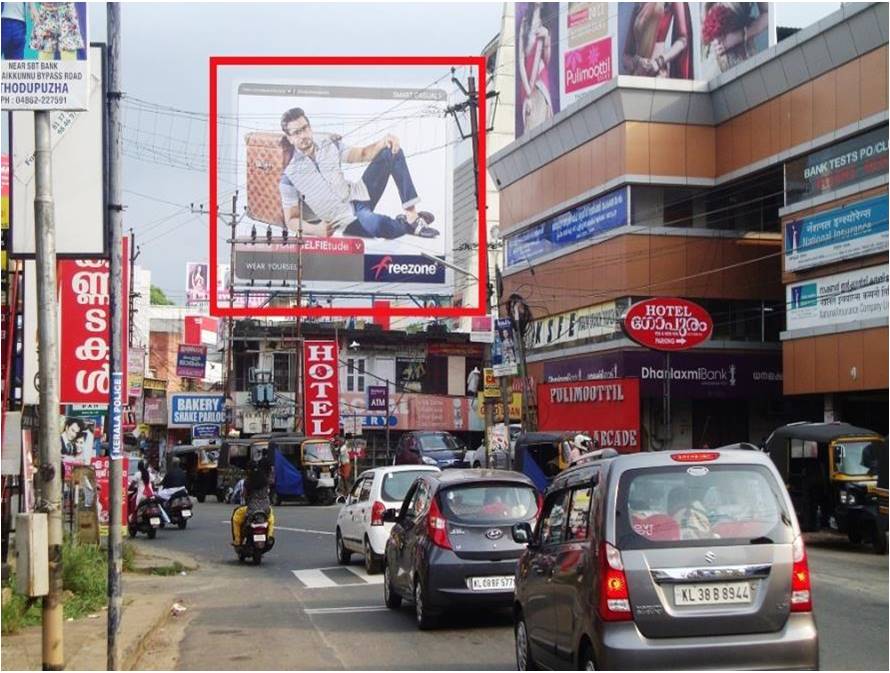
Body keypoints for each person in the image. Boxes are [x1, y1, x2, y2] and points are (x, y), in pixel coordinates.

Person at [278, 107, 439, 240]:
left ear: (310, 127)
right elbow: (291, 220)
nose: (303, 135)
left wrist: (383, 141)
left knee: (391, 151)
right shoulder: (289, 177)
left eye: (305, 128)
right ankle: (404, 225)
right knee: (378, 225)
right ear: (289, 138)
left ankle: (412, 216)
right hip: (346, 219)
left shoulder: (329, 143)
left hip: (359, 194)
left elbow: (361, 154)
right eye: (297, 133)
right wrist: (315, 230)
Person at [622, 3, 693, 79]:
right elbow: (626, 56)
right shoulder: (638, 6)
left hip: (658, 73)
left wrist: (660, 61)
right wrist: (637, 62)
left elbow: (683, 39)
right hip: (638, 76)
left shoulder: (670, 4)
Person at [517, 2, 556, 134]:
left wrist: (546, 39)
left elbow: (547, 59)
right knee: (530, 126)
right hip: (527, 83)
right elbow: (520, 60)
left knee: (541, 126)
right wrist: (528, 90)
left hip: (540, 82)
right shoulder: (524, 22)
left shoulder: (545, 22)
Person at [231, 461, 275, 546]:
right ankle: (269, 536)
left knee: (236, 518)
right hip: (266, 509)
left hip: (252, 510)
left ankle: (237, 540)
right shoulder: (265, 480)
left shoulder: (248, 481)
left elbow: (244, 494)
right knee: (271, 519)